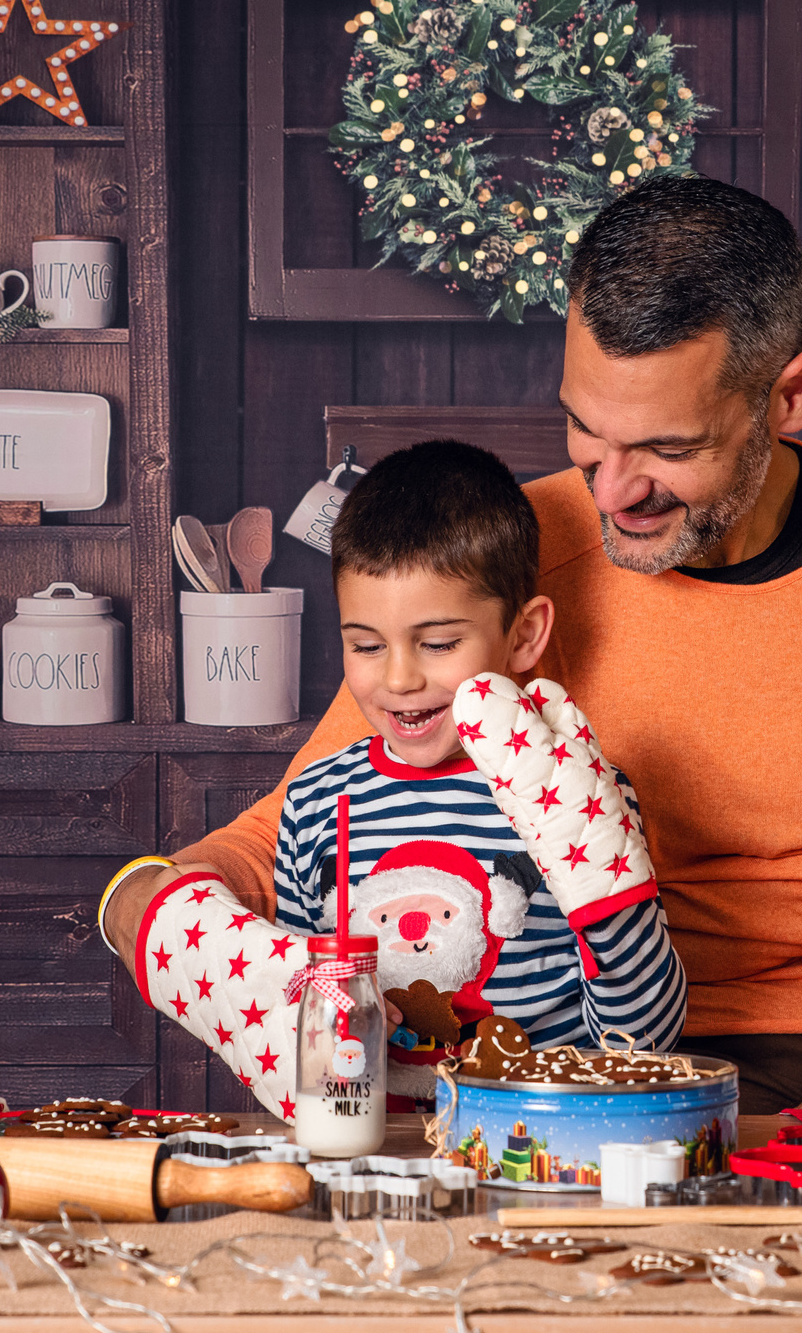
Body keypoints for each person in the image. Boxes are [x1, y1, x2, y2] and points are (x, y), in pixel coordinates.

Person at [117, 174, 802, 1114]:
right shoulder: (512, 549)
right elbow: (302, 814)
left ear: (789, 396)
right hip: (562, 1069)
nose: (611, 492)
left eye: (667, 447)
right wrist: (151, 899)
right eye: (584, 426)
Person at [106, 440, 684, 1112]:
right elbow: (306, 1033)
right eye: (367, 644)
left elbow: (645, 1040)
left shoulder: (578, 792)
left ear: (524, 636)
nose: (401, 678)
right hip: (370, 1149)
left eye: (438, 643)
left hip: (540, 1142)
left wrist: (611, 895)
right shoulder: (317, 800)